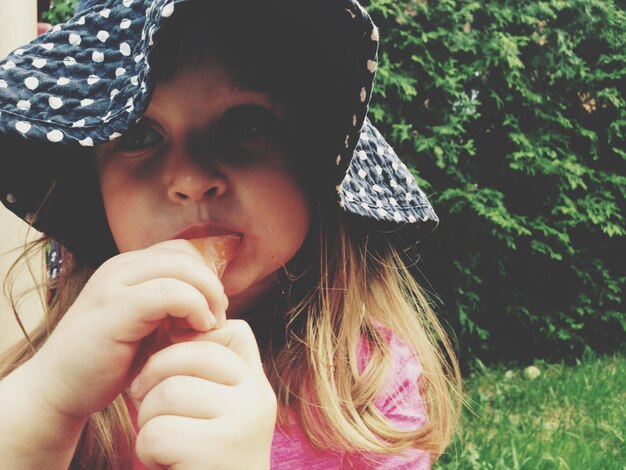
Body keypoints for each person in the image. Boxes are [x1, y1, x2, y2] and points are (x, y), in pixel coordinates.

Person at [0, 0, 461, 469]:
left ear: (314, 162)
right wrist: (49, 401)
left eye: (244, 123)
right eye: (138, 136)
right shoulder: (68, 365)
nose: (190, 179)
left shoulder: (369, 383)